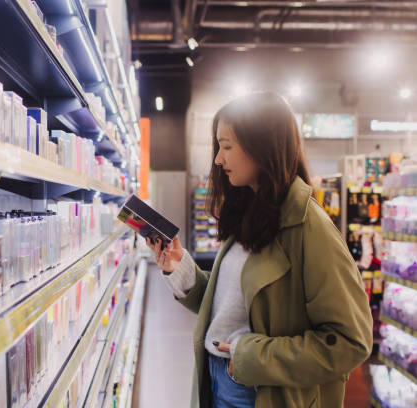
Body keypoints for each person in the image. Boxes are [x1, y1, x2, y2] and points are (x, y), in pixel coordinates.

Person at [146, 91, 373, 408]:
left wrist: (251, 356)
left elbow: (351, 342)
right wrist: (180, 269)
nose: (218, 159)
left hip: (260, 392)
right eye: (218, 147)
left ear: (262, 146)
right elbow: (236, 307)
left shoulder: (310, 228)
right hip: (217, 378)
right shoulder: (251, 213)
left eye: (226, 147)